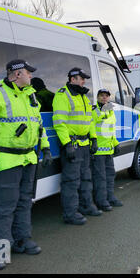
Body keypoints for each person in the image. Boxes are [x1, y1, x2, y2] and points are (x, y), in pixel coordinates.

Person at [0, 59, 53, 270]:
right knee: (3, 209)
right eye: (28, 73)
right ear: (17, 74)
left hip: (28, 159)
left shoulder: (30, 94)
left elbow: (38, 126)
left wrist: (45, 148)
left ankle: (22, 241)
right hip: (6, 161)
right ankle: (1, 252)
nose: (31, 76)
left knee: (25, 202)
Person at [53, 67, 102, 227]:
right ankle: (70, 213)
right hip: (72, 144)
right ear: (73, 78)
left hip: (84, 144)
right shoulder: (63, 95)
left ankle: (86, 206)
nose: (84, 81)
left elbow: (90, 121)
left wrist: (93, 139)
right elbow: (59, 122)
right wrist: (67, 144)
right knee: (71, 181)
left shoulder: (83, 97)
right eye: (82, 78)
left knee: (86, 177)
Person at [91, 89, 123, 212]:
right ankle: (101, 201)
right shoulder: (94, 111)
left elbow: (111, 129)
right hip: (98, 151)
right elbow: (91, 127)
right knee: (100, 177)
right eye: (101, 96)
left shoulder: (110, 111)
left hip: (108, 150)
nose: (104, 98)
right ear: (98, 97)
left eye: (106, 96)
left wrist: (115, 144)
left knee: (110, 176)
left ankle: (110, 197)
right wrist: (93, 142)